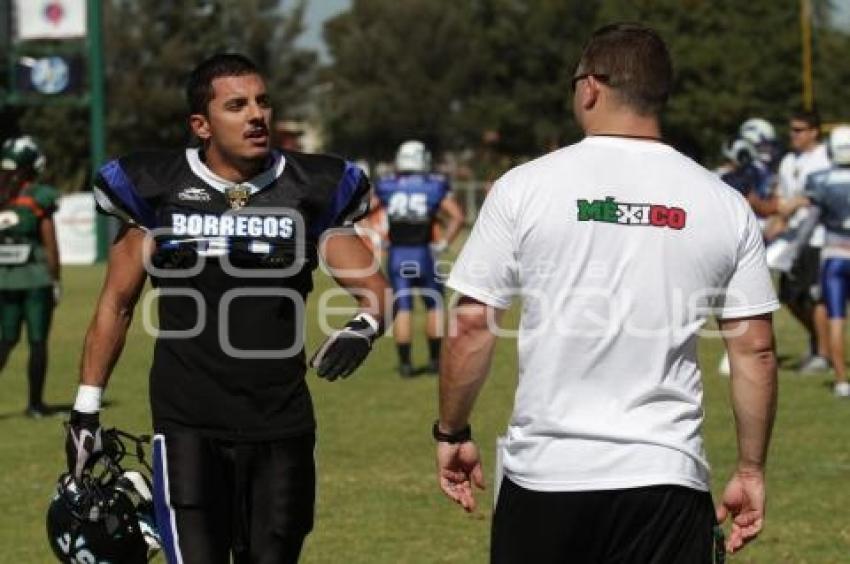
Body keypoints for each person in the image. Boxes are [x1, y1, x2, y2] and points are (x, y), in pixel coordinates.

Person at [435, 23, 778, 562]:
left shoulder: (524, 186)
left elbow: (472, 324)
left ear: (590, 86)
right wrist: (751, 469)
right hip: (667, 476)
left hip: (545, 476)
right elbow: (755, 347)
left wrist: (450, 431)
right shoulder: (723, 201)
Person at [63, 53, 390, 563]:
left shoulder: (307, 187)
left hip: (280, 421)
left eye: (262, 101)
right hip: (187, 422)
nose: (256, 115)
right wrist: (86, 409)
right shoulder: (159, 187)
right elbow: (117, 304)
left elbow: (374, 289)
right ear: (201, 125)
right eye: (236, 105)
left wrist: (365, 326)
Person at [374, 140, 464, 377]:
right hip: (423, 254)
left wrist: (375, 236)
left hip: (397, 254)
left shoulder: (387, 185)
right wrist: (444, 242)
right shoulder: (433, 185)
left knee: (402, 308)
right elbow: (457, 216)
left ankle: (405, 365)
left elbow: (364, 210)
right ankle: (435, 361)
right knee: (434, 304)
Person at [779, 125, 850, 397]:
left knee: (835, 318)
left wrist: (794, 249)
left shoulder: (822, 180)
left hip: (835, 257)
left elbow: (809, 223)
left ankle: (842, 381)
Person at [0, 136, 60, 418]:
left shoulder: (4, 197)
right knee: (37, 342)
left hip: (4, 279)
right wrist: (56, 280)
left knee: (6, 340)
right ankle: (35, 405)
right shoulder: (37, 195)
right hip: (35, 278)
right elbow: (50, 242)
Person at [772, 109, 832, 373]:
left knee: (814, 296)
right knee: (788, 296)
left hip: (818, 235)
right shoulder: (787, 161)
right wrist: (778, 220)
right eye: (791, 129)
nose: (792, 135)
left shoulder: (825, 158)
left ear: (814, 132)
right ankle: (819, 340)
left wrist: (799, 202)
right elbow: (782, 196)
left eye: (798, 130)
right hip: (793, 237)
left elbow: (830, 193)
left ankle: (823, 354)